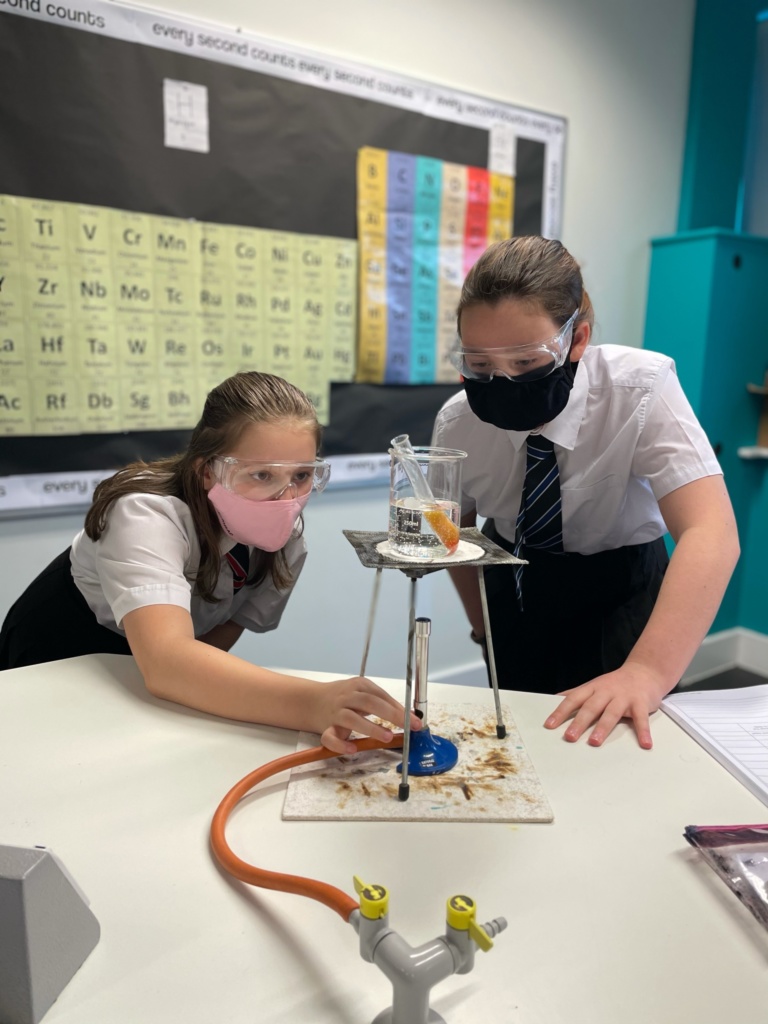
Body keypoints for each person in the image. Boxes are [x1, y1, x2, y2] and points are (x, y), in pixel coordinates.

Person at [0, 371, 419, 755]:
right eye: (262, 475)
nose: (286, 497)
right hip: (58, 658)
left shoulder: (285, 545)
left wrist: (190, 689)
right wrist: (313, 703)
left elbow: (212, 642)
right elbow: (167, 661)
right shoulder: (146, 515)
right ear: (206, 472)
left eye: (302, 476)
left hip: (145, 675)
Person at [433, 236, 739, 749]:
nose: (503, 380)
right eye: (481, 366)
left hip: (623, 588)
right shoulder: (458, 423)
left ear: (577, 339)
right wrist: (483, 626)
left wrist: (646, 669)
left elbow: (711, 531)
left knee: (618, 748)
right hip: (512, 581)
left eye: (526, 363)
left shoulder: (639, 388)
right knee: (520, 745)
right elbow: (455, 536)